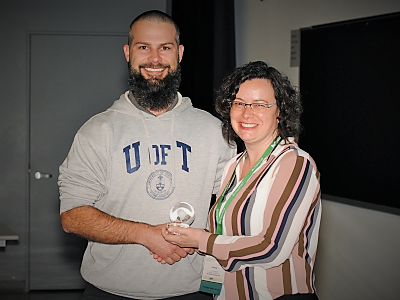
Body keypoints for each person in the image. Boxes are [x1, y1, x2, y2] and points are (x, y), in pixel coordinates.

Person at [58, 10, 236, 300]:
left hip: (191, 291)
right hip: (110, 291)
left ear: (179, 53)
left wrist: (200, 240)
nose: (155, 59)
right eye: (144, 47)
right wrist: (146, 235)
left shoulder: (215, 131)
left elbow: (232, 210)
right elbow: (72, 216)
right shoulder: (96, 131)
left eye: (164, 48)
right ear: (128, 53)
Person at [162, 61, 321, 300]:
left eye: (260, 104)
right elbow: (228, 234)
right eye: (239, 103)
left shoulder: (295, 163)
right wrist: (187, 241)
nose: (247, 113)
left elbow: (272, 248)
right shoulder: (232, 166)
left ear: (280, 111)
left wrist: (202, 240)